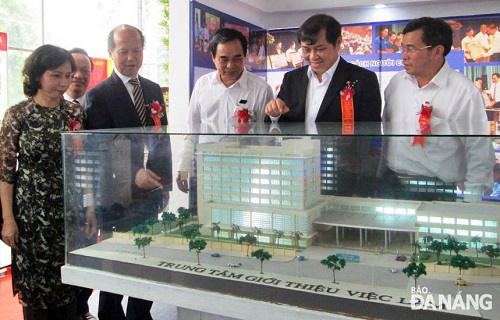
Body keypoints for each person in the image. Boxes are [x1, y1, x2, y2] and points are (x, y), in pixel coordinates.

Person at [85, 24, 172, 320]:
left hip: (150, 193)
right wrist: (133, 173)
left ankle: (140, 313)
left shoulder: (151, 89)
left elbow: (162, 138)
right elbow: (100, 148)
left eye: (136, 50)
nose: (131, 57)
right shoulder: (98, 95)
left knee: (145, 257)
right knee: (117, 264)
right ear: (111, 53)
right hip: (115, 197)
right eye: (124, 51)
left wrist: (165, 185)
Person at [0, 44, 86, 319]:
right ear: (37, 75)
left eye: (67, 76)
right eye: (55, 75)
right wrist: (8, 219)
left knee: (69, 285)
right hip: (31, 217)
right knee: (37, 291)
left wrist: (90, 209)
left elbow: (81, 163)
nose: (63, 83)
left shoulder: (74, 114)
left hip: (69, 211)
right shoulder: (17, 115)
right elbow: (5, 172)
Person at [382, 17, 495, 202]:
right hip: (391, 181)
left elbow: (479, 151)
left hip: (435, 187)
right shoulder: (396, 83)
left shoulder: (464, 92)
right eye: (403, 48)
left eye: (411, 49)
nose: (404, 55)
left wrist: (472, 199)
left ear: (437, 51)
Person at [177, 28, 273, 193]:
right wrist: (183, 167)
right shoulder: (202, 85)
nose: (230, 66)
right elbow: (191, 129)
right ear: (213, 58)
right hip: (207, 171)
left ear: (245, 56)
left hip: (245, 175)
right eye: (223, 59)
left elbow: (266, 140)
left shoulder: (261, 89)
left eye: (237, 58)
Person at [264, 14, 382, 122]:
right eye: (307, 49)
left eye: (320, 49)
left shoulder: (364, 80)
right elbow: (279, 123)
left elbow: (371, 133)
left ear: (338, 43)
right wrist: (274, 114)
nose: (313, 56)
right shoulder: (291, 79)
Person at [63, 47, 96, 320]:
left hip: (90, 195)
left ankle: (82, 308)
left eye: (84, 69)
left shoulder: (96, 103)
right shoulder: (44, 105)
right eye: (72, 69)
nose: (77, 75)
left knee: (87, 253)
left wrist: (90, 203)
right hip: (55, 199)